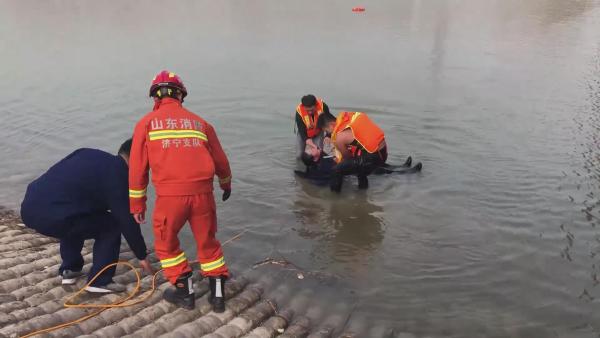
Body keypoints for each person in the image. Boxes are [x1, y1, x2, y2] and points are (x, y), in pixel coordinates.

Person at [129, 70, 232, 312]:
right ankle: (218, 297)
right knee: (208, 242)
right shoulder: (201, 123)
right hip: (203, 195)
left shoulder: (145, 124)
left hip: (170, 198)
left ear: (155, 97)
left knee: (166, 245)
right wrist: (225, 184)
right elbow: (221, 161)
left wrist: (137, 204)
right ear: (181, 95)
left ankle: (185, 293)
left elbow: (137, 169)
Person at [20, 140, 152, 293]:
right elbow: (127, 220)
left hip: (30, 209)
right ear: (137, 161)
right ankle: (99, 281)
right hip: (54, 217)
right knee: (112, 225)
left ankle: (70, 268)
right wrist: (141, 255)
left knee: (76, 215)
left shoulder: (86, 152)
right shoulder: (119, 175)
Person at [318, 111, 388, 192]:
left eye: (327, 131)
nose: (328, 133)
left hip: (374, 157)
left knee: (336, 170)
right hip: (383, 150)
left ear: (331, 125)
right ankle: (362, 192)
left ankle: (335, 199)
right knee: (358, 163)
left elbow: (347, 157)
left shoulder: (339, 138)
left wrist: (339, 161)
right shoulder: (350, 117)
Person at [295, 94, 335, 162]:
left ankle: (317, 167)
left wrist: (328, 136)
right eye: (307, 110)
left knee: (318, 153)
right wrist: (306, 139)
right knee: (299, 155)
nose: (310, 112)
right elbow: (301, 128)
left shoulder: (323, 106)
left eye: (312, 110)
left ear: (316, 105)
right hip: (304, 133)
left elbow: (328, 121)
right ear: (303, 107)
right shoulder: (299, 111)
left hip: (318, 132)